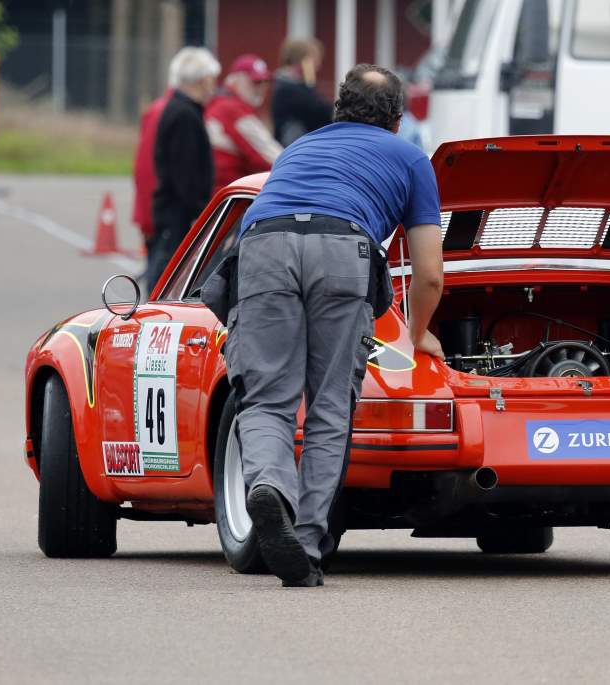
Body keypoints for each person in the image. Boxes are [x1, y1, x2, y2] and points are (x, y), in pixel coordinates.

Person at [227, 64, 445, 587]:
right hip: (343, 250)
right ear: (397, 121)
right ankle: (305, 541)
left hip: (262, 246)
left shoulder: (299, 149)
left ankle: (270, 487)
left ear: (338, 109)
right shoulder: (410, 157)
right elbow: (430, 274)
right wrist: (418, 333)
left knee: (266, 398)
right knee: (329, 404)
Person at [149, 48, 220, 287]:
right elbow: (186, 173)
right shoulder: (185, 116)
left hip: (175, 209)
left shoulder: (183, 110)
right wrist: (199, 212)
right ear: (203, 80)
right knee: (167, 277)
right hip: (178, 214)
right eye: (212, 79)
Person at [132, 53, 182, 286]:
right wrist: (148, 219)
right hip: (164, 214)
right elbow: (148, 168)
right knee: (162, 277)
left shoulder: (161, 109)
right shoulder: (169, 113)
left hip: (156, 210)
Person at [205, 54, 282, 194]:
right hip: (225, 196)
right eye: (255, 82)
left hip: (218, 193)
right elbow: (272, 158)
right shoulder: (233, 109)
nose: (261, 88)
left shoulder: (220, 102)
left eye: (264, 82)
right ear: (236, 81)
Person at [271, 38, 333, 146]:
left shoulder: (298, 86)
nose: (318, 66)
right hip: (292, 148)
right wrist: (310, 82)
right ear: (303, 61)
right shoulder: (287, 89)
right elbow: (323, 111)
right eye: (315, 60)